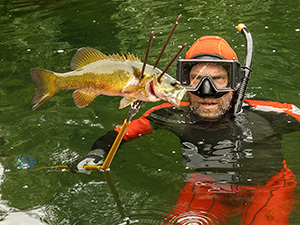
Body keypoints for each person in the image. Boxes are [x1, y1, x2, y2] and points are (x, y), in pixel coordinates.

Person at [70, 36, 300, 224]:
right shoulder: (170, 114)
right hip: (205, 185)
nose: (206, 90)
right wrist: (97, 153)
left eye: (218, 79)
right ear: (183, 82)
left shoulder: (268, 113)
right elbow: (121, 134)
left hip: (268, 187)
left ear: (235, 80)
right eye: (196, 80)